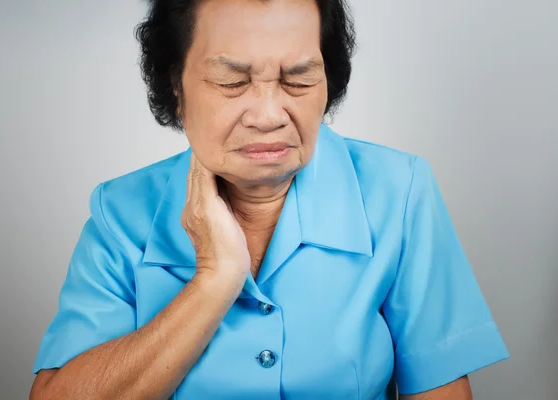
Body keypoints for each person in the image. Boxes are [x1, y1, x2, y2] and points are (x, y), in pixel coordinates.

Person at [29, 0, 509, 398]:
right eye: (232, 82)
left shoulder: (399, 190)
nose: (267, 115)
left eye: (298, 80)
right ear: (176, 88)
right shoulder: (121, 211)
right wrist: (214, 282)